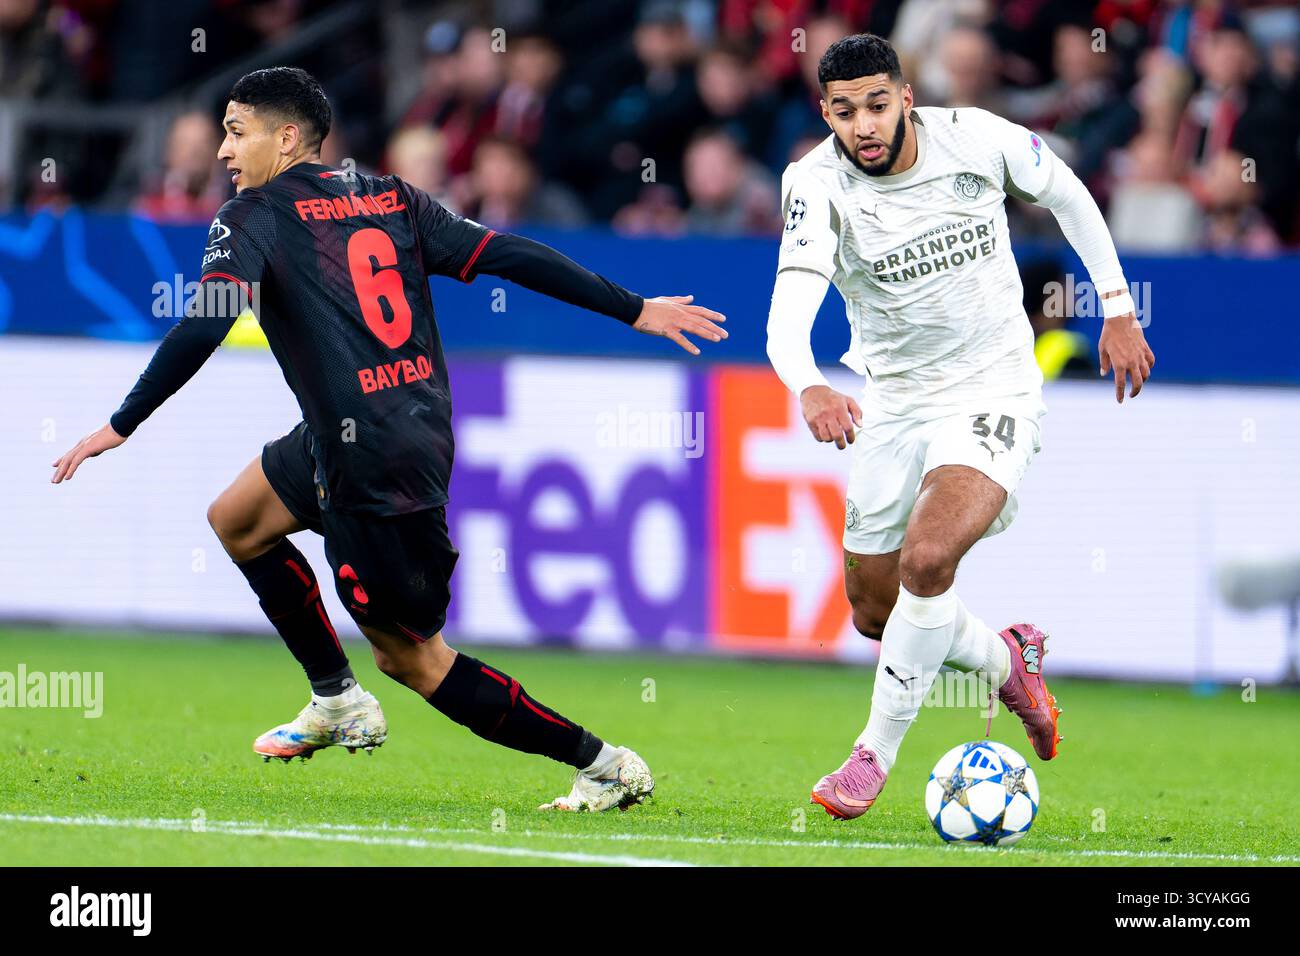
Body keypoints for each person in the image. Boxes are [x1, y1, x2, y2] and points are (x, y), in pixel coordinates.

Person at [51, 67, 727, 813]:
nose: (221, 151)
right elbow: (507, 253)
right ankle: (336, 697)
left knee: (414, 659)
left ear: (286, 137)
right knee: (237, 519)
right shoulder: (391, 197)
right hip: (393, 430)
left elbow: (208, 319)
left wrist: (122, 423)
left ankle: (602, 764)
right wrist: (632, 308)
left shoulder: (252, 216)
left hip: (369, 462)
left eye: (236, 132)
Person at [763, 35, 1153, 820]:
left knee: (929, 556)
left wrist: (1115, 307)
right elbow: (788, 314)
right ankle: (1006, 660)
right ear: (826, 114)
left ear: (906, 97)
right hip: (894, 401)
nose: (864, 126)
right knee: (875, 613)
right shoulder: (813, 184)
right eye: (845, 112)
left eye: (877, 104)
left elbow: (1071, 195)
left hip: (995, 389)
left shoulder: (977, 137)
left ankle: (872, 754)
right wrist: (807, 385)